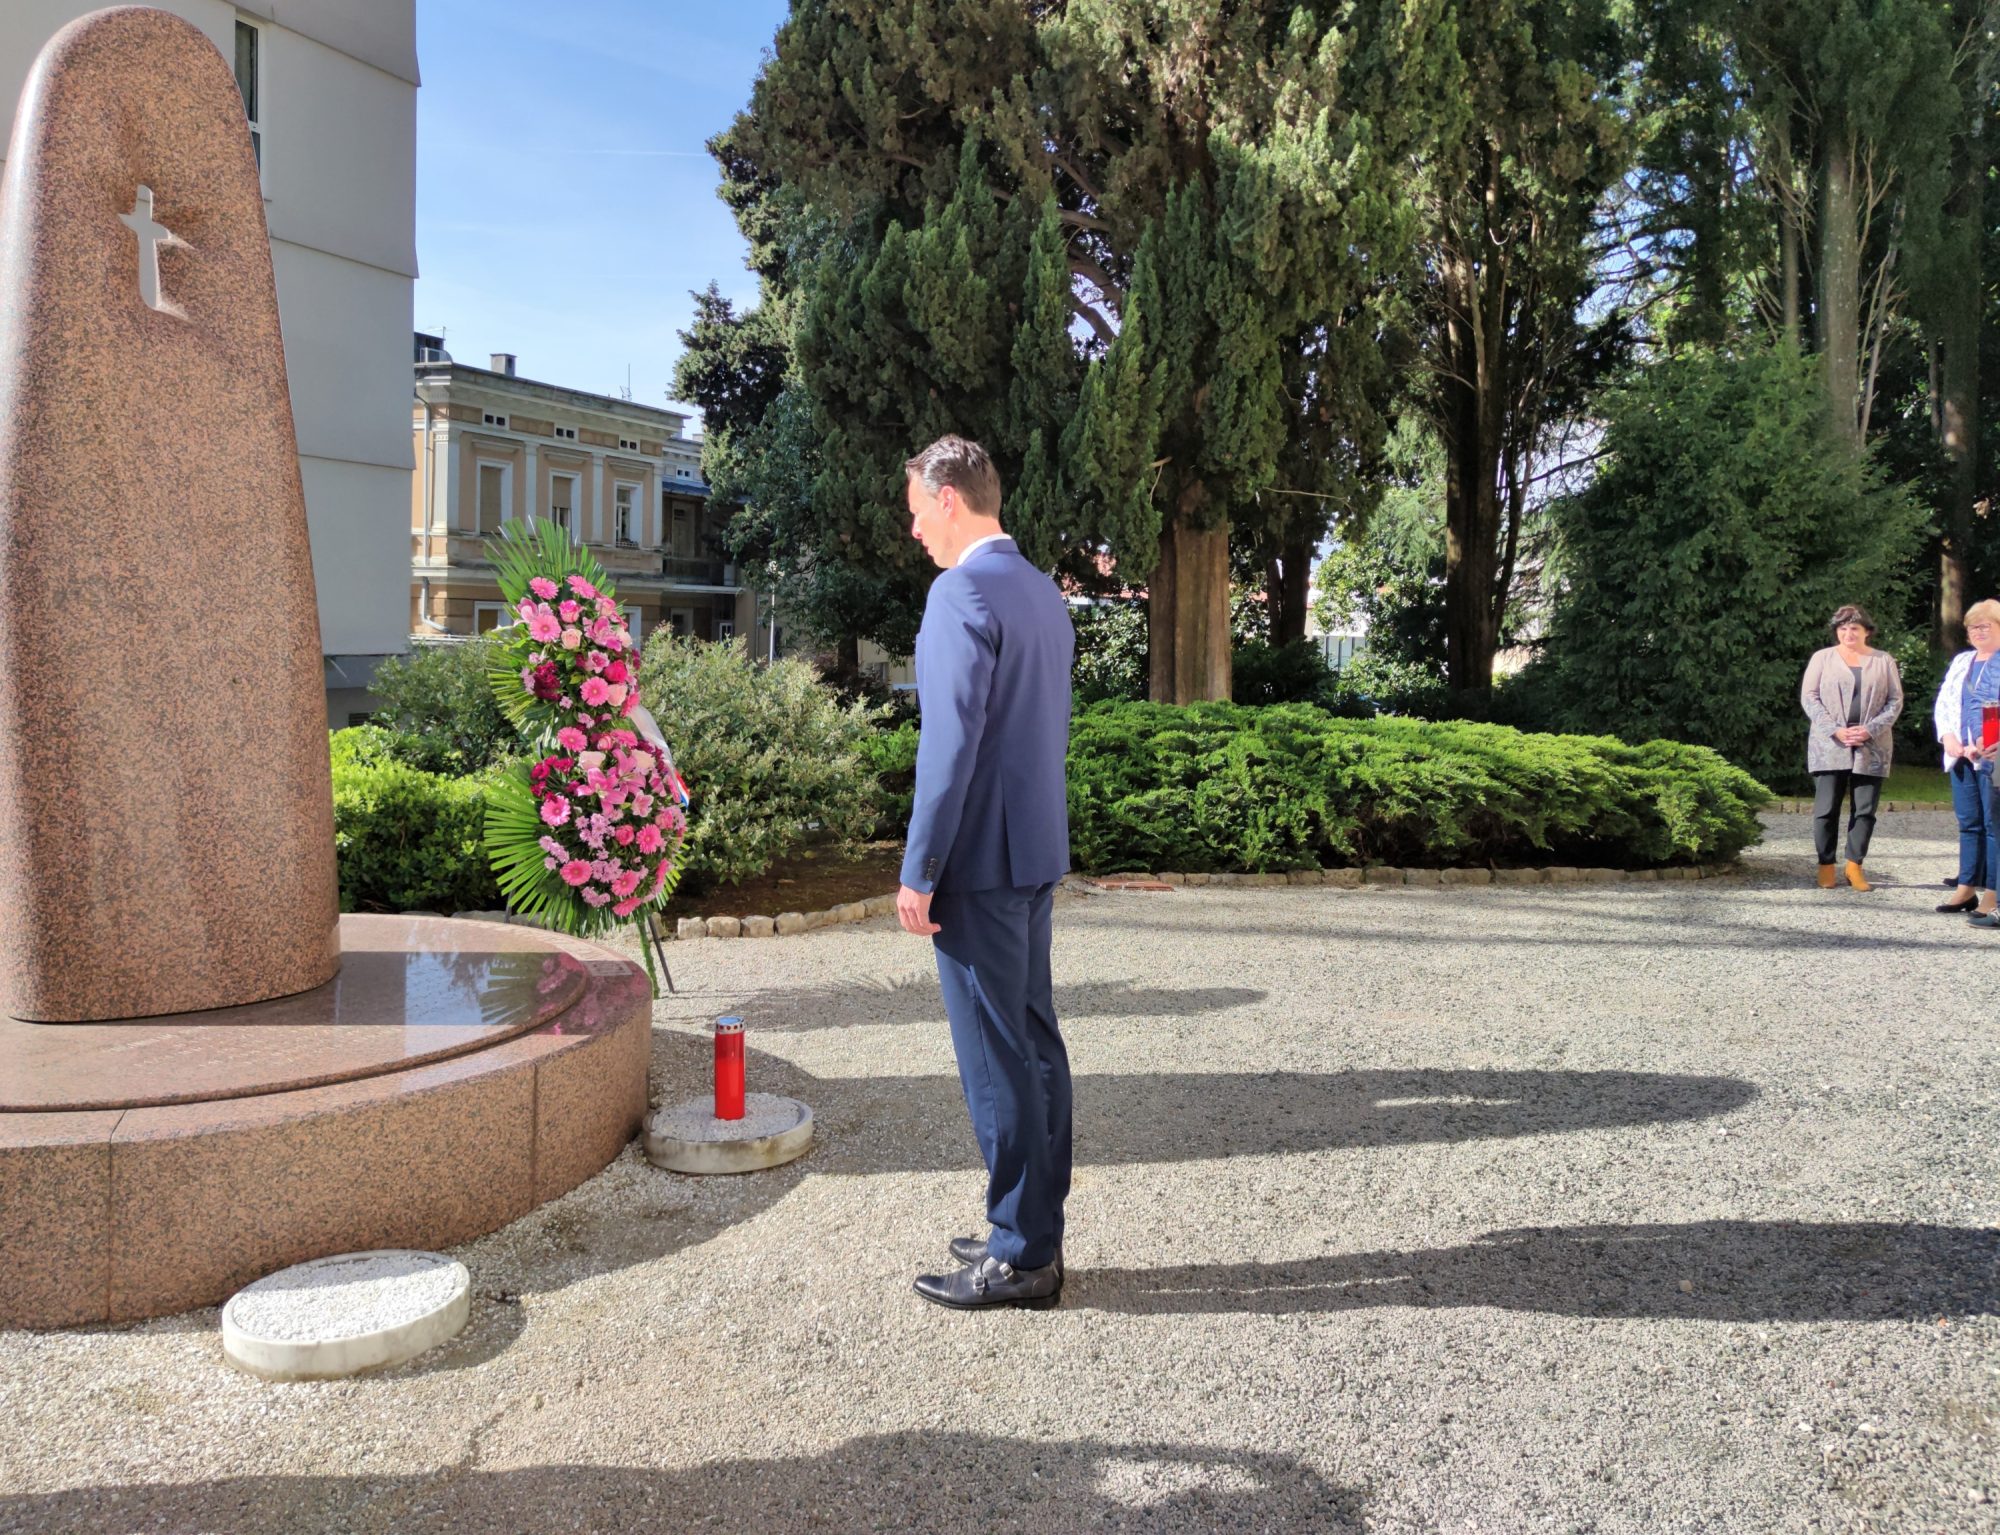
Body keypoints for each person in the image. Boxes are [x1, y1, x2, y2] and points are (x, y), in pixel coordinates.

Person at [895, 435, 1075, 1312]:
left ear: (949, 498)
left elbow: (951, 743)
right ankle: (1033, 1224)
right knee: (1034, 1043)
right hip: (1032, 850)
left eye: (917, 512)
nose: (915, 531)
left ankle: (1021, 1253)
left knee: (997, 1059)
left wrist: (921, 866)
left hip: (976, 862)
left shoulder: (959, 591)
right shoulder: (1042, 591)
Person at [1799, 604, 1903, 890]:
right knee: (1825, 809)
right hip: (1830, 744)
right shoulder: (1822, 658)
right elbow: (1809, 697)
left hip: (1873, 745)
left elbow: (1895, 701)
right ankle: (1826, 865)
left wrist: (1869, 729)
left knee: (1865, 810)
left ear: (1866, 631)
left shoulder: (1884, 660)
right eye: (1842, 628)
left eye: (1854, 628)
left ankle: (1854, 866)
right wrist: (1835, 730)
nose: (1848, 633)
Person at [1933, 600, 2000, 920]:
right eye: (1973, 627)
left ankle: (1993, 893)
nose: (1977, 632)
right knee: (1969, 823)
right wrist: (1948, 736)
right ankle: (1966, 886)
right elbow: (1945, 702)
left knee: (1994, 825)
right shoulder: (1962, 661)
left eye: (1985, 626)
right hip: (1961, 755)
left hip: (1993, 757)